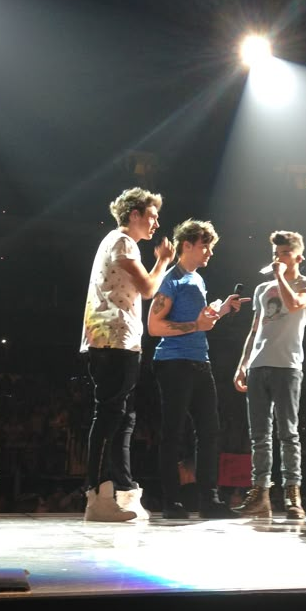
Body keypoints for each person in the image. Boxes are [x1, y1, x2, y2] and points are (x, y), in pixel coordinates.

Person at [81, 187, 175, 522]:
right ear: (134, 214)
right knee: (110, 416)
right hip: (112, 340)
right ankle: (97, 494)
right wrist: (164, 259)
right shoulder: (122, 242)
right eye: (151, 216)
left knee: (123, 418)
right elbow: (149, 289)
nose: (155, 223)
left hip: (120, 340)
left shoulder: (119, 242)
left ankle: (121, 489)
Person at [148, 218, 250, 519]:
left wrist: (221, 310)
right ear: (187, 245)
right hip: (173, 362)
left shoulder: (198, 280)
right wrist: (197, 324)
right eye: (205, 246)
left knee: (210, 432)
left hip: (199, 360)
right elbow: (154, 326)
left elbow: (202, 321)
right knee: (174, 432)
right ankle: (171, 501)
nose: (210, 252)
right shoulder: (171, 280)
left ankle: (209, 499)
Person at [233, 230, 306, 519]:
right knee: (259, 435)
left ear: (299, 257)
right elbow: (255, 328)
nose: (278, 259)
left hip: (288, 364)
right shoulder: (261, 290)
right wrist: (242, 363)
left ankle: (293, 495)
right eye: (276, 253)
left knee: (288, 433)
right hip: (259, 365)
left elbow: (296, 304)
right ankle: (260, 494)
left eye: (285, 253)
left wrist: (281, 276)